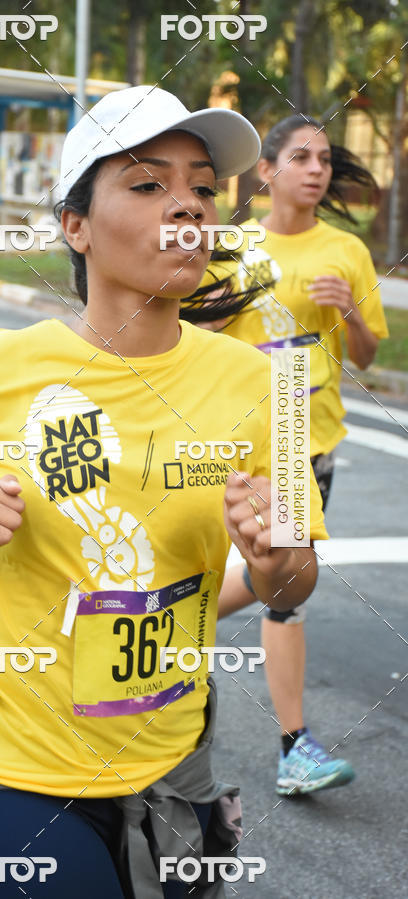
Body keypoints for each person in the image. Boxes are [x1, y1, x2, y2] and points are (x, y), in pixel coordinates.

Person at [0, 88, 328, 899]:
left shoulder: (261, 385)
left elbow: (297, 576)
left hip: (170, 768)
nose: (187, 208)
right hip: (5, 770)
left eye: (202, 187)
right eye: (146, 184)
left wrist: (273, 562)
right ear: (75, 225)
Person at [181, 113, 388, 797]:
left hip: (311, 436)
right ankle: (293, 744)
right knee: (282, 580)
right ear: (266, 171)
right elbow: (191, 333)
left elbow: (367, 354)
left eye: (324, 158)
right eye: (300, 156)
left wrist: (351, 313)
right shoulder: (230, 245)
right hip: (242, 437)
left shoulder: (346, 252)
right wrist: (205, 313)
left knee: (284, 579)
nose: (317, 168)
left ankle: (178, 618)